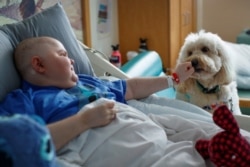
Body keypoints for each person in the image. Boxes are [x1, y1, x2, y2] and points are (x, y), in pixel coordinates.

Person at [0, 36, 229, 166]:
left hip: (146, 127)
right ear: (39, 65)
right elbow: (25, 143)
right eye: (62, 55)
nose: (71, 59)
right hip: (106, 142)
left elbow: (131, 87)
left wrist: (174, 78)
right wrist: (83, 121)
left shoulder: (89, 82)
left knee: (205, 134)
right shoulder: (25, 100)